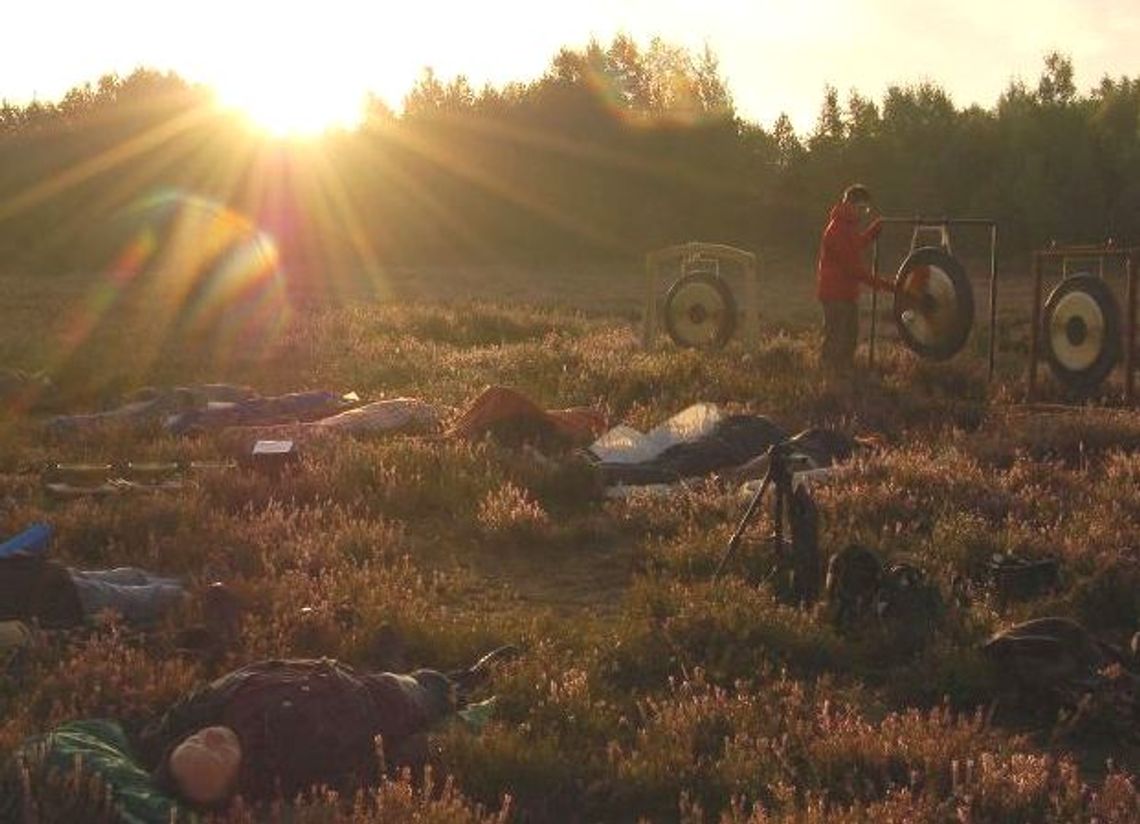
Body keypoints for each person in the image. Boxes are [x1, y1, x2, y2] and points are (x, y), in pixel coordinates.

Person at [135, 647, 516, 807]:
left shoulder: (215, 711)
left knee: (399, 673)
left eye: (194, 742)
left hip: (338, 673)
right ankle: (465, 682)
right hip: (390, 700)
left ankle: (397, 660)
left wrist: (156, 740)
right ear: (241, 782)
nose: (209, 738)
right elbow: (366, 768)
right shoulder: (290, 763)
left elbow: (174, 721)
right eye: (215, 756)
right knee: (433, 687)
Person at [814, 184, 894, 376]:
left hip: (846, 293)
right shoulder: (837, 228)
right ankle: (830, 381)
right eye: (862, 208)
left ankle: (843, 379)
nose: (864, 213)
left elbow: (855, 245)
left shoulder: (847, 226)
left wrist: (871, 233)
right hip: (835, 294)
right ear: (850, 204)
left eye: (866, 209)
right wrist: (886, 284)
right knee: (836, 340)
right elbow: (853, 269)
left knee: (849, 339)